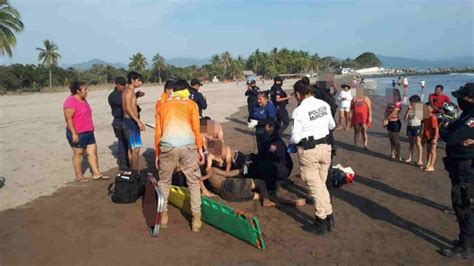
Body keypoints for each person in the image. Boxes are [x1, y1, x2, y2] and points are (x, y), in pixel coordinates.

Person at [155, 79, 204, 232]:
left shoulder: (162, 106)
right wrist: (200, 148)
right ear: (184, 90)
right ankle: (196, 219)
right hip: (188, 146)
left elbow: (158, 132)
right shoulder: (191, 104)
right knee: (194, 183)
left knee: (164, 182)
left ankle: (163, 216)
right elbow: (196, 128)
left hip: (167, 146)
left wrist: (157, 153)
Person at [290, 79, 336, 235]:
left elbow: (295, 139)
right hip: (326, 148)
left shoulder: (299, 111)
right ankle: (329, 216)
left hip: (309, 150)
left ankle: (321, 221)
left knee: (316, 188)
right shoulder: (324, 105)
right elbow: (332, 126)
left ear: (298, 94)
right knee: (321, 185)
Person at [441, 83, 474, 259]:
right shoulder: (466, 116)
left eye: (463, 97)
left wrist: (443, 127)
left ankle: (466, 246)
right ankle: (467, 240)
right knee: (464, 203)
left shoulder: (471, 118)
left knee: (463, 204)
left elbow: (452, 136)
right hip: (460, 165)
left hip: (465, 167)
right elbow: (455, 131)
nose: (460, 100)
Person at [63, 82, 108, 182]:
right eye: (85, 90)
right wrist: (74, 133)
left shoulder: (84, 100)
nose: (87, 91)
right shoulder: (70, 102)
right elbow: (68, 119)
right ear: (78, 91)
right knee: (79, 153)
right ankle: (79, 176)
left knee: (93, 152)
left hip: (88, 131)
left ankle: (96, 174)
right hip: (78, 132)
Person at [247, 121, 293, 194]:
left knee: (264, 166)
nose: (264, 129)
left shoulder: (276, 142)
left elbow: (270, 157)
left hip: (283, 168)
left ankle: (271, 189)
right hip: (277, 165)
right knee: (253, 161)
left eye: (266, 127)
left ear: (271, 128)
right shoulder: (269, 139)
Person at [122, 71, 145, 174]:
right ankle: (135, 171)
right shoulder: (128, 91)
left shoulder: (130, 91)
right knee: (135, 149)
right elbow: (127, 108)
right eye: (138, 80)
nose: (140, 82)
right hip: (130, 122)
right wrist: (138, 121)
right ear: (132, 80)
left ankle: (133, 170)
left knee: (132, 148)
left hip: (130, 121)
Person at [108, 76, 131, 171]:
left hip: (124, 121)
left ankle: (127, 163)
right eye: (121, 85)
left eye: (124, 85)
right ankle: (123, 165)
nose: (123, 87)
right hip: (119, 121)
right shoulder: (114, 96)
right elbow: (124, 104)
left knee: (127, 143)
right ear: (116, 85)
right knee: (122, 144)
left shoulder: (122, 93)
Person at [403, 95, 423, 166]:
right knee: (411, 143)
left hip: (417, 127)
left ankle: (420, 159)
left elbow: (420, 118)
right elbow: (405, 118)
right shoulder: (409, 108)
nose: (410, 103)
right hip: (410, 127)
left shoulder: (419, 109)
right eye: (410, 102)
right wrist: (408, 111)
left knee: (418, 143)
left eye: (412, 102)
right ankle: (410, 157)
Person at [384, 89, 402, 160]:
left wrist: (386, 119)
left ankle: (398, 155)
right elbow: (386, 110)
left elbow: (393, 112)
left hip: (395, 123)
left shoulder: (398, 103)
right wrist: (385, 118)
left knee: (396, 140)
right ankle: (392, 154)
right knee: (391, 139)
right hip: (389, 122)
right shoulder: (390, 102)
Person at [422, 102, 440, 172]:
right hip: (428, 136)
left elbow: (436, 128)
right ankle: (428, 164)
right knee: (428, 151)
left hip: (434, 137)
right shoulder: (426, 117)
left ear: (432, 109)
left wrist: (435, 139)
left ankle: (432, 166)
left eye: (428, 108)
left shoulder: (433, 117)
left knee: (433, 151)